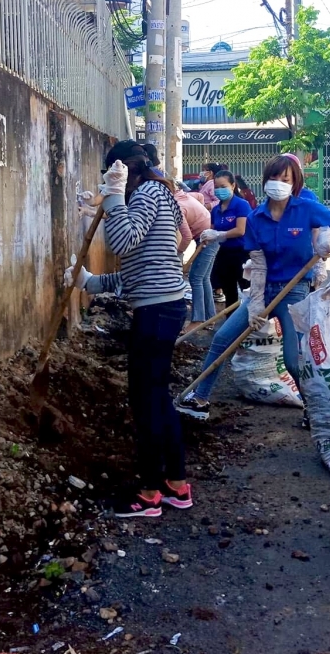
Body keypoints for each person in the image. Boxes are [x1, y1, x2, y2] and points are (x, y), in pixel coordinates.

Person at [64, 141, 193, 518]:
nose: (108, 182)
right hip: (162, 306)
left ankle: (150, 493)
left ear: (128, 171)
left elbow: (123, 240)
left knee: (145, 401)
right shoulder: (159, 194)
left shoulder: (149, 193)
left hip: (157, 313)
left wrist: (116, 197)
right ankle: (176, 484)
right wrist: (91, 283)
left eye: (111, 175)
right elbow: (140, 271)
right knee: (157, 398)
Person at [176, 154, 330, 421]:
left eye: (285, 179)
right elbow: (259, 264)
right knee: (222, 338)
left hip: (295, 293)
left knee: (293, 359)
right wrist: (255, 303)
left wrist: (328, 237)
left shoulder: (306, 209)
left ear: (295, 182)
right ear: (266, 180)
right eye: (274, 178)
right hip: (265, 288)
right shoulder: (256, 217)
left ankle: (314, 411)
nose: (278, 183)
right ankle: (200, 398)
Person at [202, 170, 251, 311]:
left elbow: (240, 230)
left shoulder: (241, 205)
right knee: (229, 293)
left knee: (248, 290)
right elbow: (212, 228)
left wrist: (218, 234)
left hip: (242, 254)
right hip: (223, 253)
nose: (219, 190)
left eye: (223, 186)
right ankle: (231, 325)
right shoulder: (216, 209)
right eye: (216, 187)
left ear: (233, 185)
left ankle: (254, 327)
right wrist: (207, 235)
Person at [174, 184, 218, 327]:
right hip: (209, 235)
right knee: (204, 278)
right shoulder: (185, 195)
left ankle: (197, 320)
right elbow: (199, 196)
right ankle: (210, 318)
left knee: (195, 278)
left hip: (208, 238)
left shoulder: (178, 206)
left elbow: (186, 237)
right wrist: (202, 215)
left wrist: (178, 253)